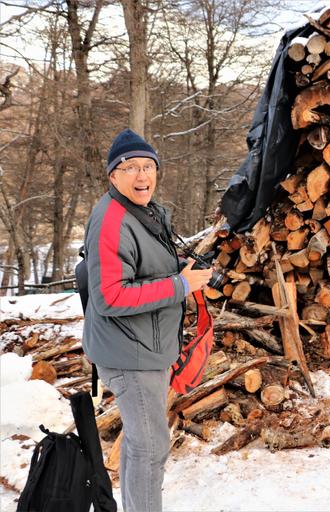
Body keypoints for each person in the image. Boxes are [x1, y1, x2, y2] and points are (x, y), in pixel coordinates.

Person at [82, 128, 212, 511]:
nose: (142, 176)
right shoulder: (111, 220)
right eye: (131, 167)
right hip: (128, 353)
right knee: (149, 445)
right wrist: (179, 285)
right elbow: (110, 295)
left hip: (145, 347)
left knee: (147, 444)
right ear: (113, 175)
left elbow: (142, 269)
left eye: (148, 166)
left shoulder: (144, 212)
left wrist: (180, 271)